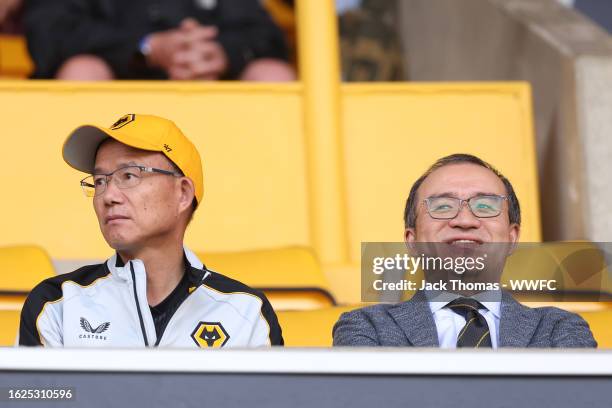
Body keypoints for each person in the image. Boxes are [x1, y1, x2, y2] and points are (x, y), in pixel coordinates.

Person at [19, 113, 283, 347]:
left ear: (182, 194)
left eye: (129, 175)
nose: (108, 195)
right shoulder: (57, 303)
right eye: (100, 181)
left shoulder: (245, 311)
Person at [333, 154, 596, 348]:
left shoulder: (559, 329)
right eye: (443, 206)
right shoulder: (367, 328)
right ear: (411, 240)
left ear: (512, 237)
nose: (465, 220)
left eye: (484, 206)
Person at [24, 0, 295, 81]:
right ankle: (74, 192)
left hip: (205, 86)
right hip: (118, 92)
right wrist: (146, 49)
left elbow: (266, 35)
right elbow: (49, 35)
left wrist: (220, 53)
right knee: (81, 71)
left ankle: (281, 192)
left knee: (272, 74)